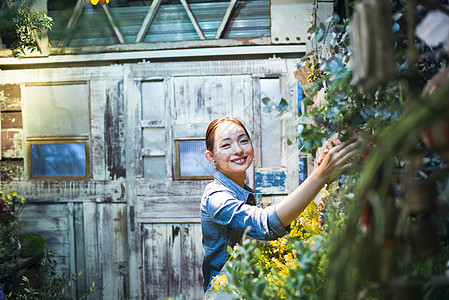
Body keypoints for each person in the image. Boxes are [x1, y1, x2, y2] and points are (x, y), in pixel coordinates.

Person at [200, 117, 359, 292]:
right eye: (226, 145)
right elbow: (264, 223)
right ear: (211, 157)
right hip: (225, 293)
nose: (238, 150)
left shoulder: (242, 191)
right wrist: (320, 176)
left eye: (243, 141)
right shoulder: (215, 197)